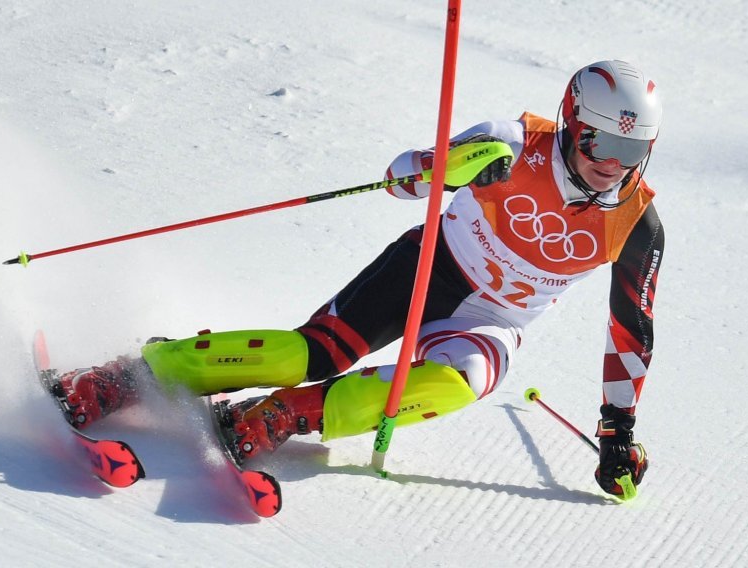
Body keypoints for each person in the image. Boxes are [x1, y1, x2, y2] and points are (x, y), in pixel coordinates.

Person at [49, 60, 662, 498]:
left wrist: (617, 432)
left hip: (494, 318)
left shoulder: (637, 224)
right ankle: (124, 377)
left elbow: (631, 333)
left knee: (460, 382)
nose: (612, 165)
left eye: (632, 151)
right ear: (572, 119)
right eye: (600, 142)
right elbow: (399, 179)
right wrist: (448, 169)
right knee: (310, 351)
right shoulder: (513, 142)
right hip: (430, 265)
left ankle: (284, 415)